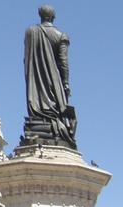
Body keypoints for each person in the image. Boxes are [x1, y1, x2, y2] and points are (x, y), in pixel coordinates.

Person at [23, 4, 77, 149]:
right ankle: (54, 128)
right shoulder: (61, 36)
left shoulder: (30, 32)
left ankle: (39, 124)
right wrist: (65, 83)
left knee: (38, 106)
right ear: (53, 17)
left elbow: (26, 58)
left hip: (35, 81)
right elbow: (64, 63)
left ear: (40, 15)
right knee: (57, 110)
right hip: (54, 81)